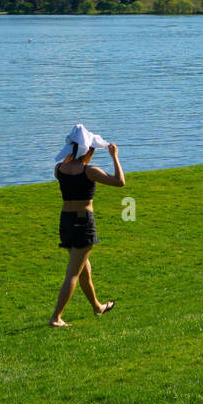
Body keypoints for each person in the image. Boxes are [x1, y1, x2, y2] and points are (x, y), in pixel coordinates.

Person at [50, 124, 125, 327]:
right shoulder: (90, 171)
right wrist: (114, 156)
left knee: (84, 269)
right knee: (74, 272)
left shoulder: (60, 169)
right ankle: (56, 317)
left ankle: (97, 307)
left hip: (65, 222)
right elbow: (120, 182)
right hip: (83, 223)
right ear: (88, 150)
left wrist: (73, 152)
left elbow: (67, 163)